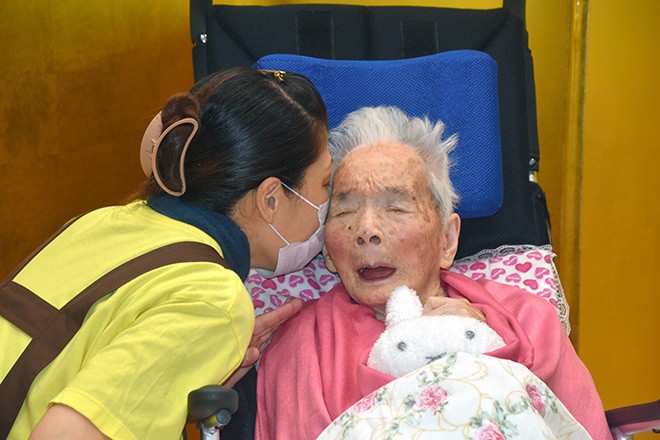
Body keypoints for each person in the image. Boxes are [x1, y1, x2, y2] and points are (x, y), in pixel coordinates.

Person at [0, 67, 332, 439]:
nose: (327, 204)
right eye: (324, 183)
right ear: (271, 199)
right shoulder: (214, 299)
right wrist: (216, 324)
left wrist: (185, 365)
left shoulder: (103, 220)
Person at [255, 106, 612, 439]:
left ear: (447, 239)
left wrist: (489, 354)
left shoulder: (528, 320)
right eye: (344, 212)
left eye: (395, 207)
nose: (366, 230)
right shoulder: (301, 345)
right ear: (329, 253)